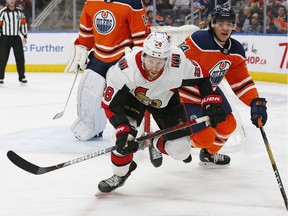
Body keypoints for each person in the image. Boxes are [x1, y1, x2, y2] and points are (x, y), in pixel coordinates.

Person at [98, 32, 226, 193]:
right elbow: (109, 105)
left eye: (159, 63)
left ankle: (155, 141)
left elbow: (203, 77)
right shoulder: (126, 68)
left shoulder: (177, 63)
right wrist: (124, 130)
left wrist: (210, 103)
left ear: (167, 59)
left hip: (165, 100)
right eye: (150, 60)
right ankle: (120, 174)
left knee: (181, 151)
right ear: (143, 55)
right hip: (132, 99)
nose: (154, 67)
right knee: (121, 141)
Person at [177, 4, 267, 166]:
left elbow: (241, 82)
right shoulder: (199, 40)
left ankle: (208, 154)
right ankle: (167, 144)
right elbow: (174, 63)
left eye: (229, 24)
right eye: (220, 23)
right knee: (204, 138)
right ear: (212, 24)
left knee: (229, 125)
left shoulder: (236, 50)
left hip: (211, 92)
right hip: (187, 95)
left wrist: (255, 102)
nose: (225, 28)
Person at [64, 0, 148, 141]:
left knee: (123, 95)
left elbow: (141, 37)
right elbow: (87, 31)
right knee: (89, 91)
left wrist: (137, 59)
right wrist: (82, 48)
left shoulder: (133, 3)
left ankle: (130, 128)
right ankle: (92, 126)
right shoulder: (91, 2)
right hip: (98, 56)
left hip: (122, 56)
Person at [0, 0, 28, 84]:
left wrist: (25, 35)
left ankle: (22, 76)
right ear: (6, 1)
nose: (11, 1)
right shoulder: (2, 12)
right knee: (2, 58)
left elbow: (23, 23)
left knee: (20, 58)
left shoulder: (20, 12)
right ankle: (0, 77)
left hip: (16, 38)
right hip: (5, 38)